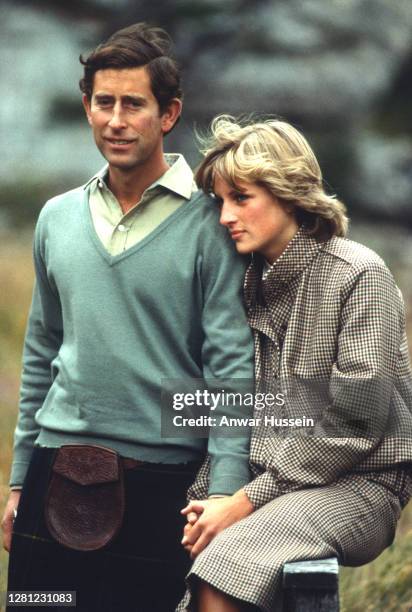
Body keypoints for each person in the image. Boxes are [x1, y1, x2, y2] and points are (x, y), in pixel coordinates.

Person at [1, 28, 255, 612]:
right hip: (52, 472)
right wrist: (19, 481)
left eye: (133, 104)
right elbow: (41, 350)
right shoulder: (55, 218)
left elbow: (232, 367)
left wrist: (222, 489)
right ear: (88, 106)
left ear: (168, 114)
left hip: (163, 481)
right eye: (103, 102)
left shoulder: (211, 224)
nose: (115, 120)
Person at [178, 116, 412, 612]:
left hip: (360, 483)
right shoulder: (246, 279)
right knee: (165, 538)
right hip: (270, 478)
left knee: (223, 562)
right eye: (221, 201)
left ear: (289, 194)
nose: (225, 217)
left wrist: (243, 501)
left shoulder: (358, 274)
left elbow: (353, 425)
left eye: (241, 199)